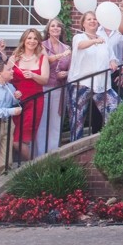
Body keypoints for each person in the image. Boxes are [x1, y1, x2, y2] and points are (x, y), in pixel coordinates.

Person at [68, 11, 121, 140]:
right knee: (77, 119)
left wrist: (113, 62)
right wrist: (95, 41)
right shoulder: (79, 37)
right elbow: (80, 46)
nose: (92, 21)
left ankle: (111, 141)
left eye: (95, 19)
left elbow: (112, 57)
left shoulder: (104, 40)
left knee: (116, 108)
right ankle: (75, 150)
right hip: (81, 83)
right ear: (83, 23)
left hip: (101, 84)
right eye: (89, 19)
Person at [8, 27, 49, 160]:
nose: (32, 41)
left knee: (20, 141)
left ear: (39, 41)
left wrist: (32, 75)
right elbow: (4, 77)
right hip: (16, 102)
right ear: (24, 40)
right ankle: (33, 166)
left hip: (34, 101)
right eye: (29, 38)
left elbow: (45, 79)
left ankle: (35, 166)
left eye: (35, 38)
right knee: (13, 138)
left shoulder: (42, 58)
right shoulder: (15, 58)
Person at [36, 18, 71, 155]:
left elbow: (71, 68)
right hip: (45, 88)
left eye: (58, 26)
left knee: (56, 123)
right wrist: (61, 55)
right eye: (52, 26)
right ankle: (40, 155)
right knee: (43, 121)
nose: (55, 28)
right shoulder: (42, 45)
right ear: (48, 30)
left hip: (60, 88)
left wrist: (66, 73)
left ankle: (53, 154)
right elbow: (46, 60)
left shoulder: (66, 47)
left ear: (61, 30)